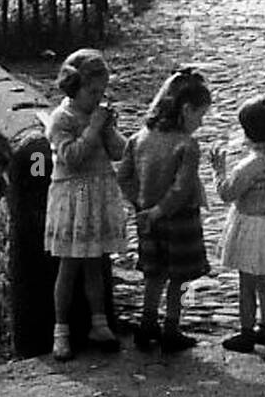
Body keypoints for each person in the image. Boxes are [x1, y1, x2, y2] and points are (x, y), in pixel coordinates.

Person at [117, 67, 212, 353]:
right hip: (179, 220)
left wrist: (141, 205)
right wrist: (161, 209)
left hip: (146, 219)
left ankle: (147, 325)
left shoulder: (139, 138)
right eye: (200, 115)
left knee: (153, 274)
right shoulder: (187, 145)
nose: (201, 122)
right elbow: (182, 188)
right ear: (186, 109)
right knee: (179, 279)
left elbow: (123, 176)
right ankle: (172, 327)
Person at [44, 49, 127, 362]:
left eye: (101, 92)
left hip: (97, 192)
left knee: (95, 262)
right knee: (69, 267)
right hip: (73, 198)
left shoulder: (96, 116)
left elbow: (119, 153)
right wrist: (94, 127)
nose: (98, 98)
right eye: (92, 92)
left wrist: (109, 128)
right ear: (73, 88)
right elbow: (72, 158)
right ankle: (61, 330)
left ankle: (99, 323)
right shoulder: (61, 120)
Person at [211, 96, 265, 354]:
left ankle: (246, 332)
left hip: (251, 226)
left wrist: (218, 170)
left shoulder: (249, 166)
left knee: (246, 283)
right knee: (263, 281)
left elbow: (227, 193)